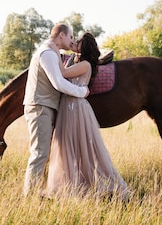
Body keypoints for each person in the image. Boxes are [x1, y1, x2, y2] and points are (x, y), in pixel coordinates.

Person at [45, 32, 130, 200]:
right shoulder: (74, 60)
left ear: (83, 47)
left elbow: (62, 73)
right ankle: (69, 185)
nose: (74, 42)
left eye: (78, 42)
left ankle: (104, 186)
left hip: (75, 108)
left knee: (80, 146)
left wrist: (54, 50)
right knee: (67, 147)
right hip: (67, 107)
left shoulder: (85, 64)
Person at [23, 23, 90, 196]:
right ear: (62, 35)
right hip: (40, 107)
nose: (72, 40)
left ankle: (35, 193)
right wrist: (82, 92)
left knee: (42, 154)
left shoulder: (52, 53)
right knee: (39, 154)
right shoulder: (47, 53)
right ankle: (29, 198)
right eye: (71, 37)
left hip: (44, 106)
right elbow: (58, 83)